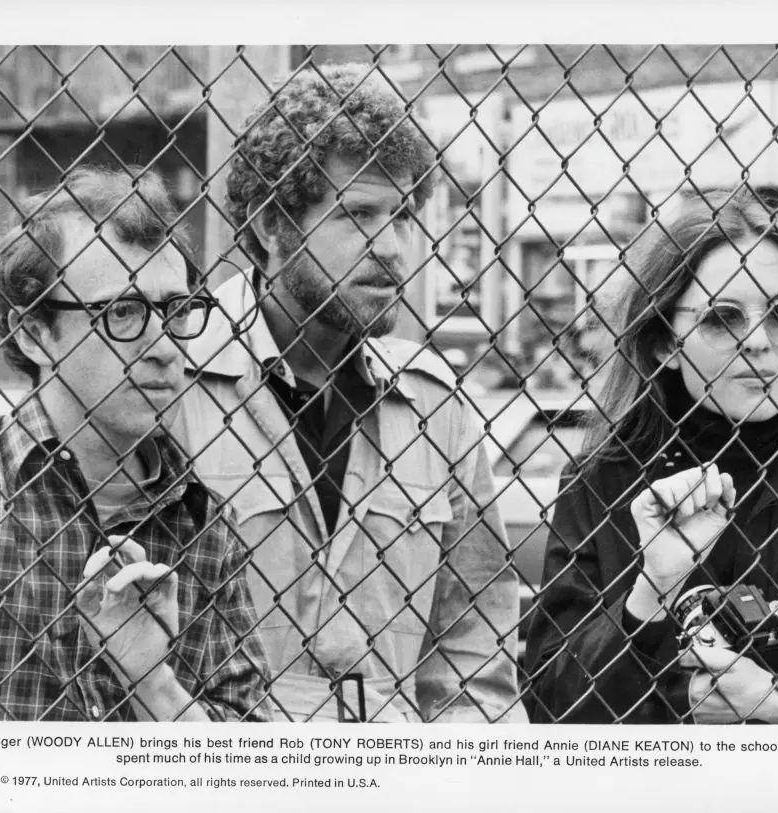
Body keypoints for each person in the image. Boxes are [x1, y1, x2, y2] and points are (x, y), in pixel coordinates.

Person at [175, 63, 525, 723]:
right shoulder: (171, 382)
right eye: (360, 215)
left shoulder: (433, 406)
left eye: (402, 215)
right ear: (270, 227)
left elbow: (474, 658)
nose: (393, 248)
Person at [523, 190, 778, 724]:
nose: (760, 342)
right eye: (723, 318)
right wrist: (652, 591)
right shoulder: (606, 479)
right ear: (664, 343)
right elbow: (552, 703)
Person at [0, 166, 271, 722]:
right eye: (124, 312)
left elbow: (245, 773)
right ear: (35, 334)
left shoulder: (202, 524)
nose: (164, 346)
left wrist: (154, 684)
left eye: (177, 310)